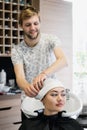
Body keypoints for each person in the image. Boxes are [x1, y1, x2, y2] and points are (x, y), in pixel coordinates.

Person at [11, 5, 67, 121]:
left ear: (40, 23)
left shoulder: (51, 40)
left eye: (35, 23)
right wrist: (28, 88)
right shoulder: (17, 50)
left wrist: (44, 74)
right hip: (29, 102)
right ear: (21, 26)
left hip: (51, 100)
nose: (32, 28)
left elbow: (63, 60)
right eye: (28, 25)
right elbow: (20, 78)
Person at [19, 78, 83, 130]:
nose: (60, 99)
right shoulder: (28, 125)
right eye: (54, 94)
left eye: (63, 94)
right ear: (42, 99)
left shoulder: (73, 124)